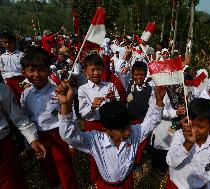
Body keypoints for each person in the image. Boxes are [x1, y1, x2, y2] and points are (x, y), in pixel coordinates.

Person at [56, 81, 166, 189]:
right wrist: (66, 105)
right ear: (106, 130)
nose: (128, 132)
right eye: (122, 131)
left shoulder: (135, 132)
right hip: (106, 186)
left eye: (128, 126)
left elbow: (153, 121)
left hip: (128, 183)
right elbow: (69, 136)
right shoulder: (96, 140)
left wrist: (159, 100)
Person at [20, 47, 78, 189]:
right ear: (24, 72)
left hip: (59, 134)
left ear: (49, 71)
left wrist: (71, 142)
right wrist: (30, 142)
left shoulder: (58, 91)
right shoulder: (26, 94)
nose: (36, 74)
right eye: (31, 70)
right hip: (39, 137)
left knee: (64, 167)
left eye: (41, 70)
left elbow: (71, 115)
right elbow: (25, 119)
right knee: (47, 167)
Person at [78, 53, 120, 184]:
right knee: (94, 154)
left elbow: (119, 105)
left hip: (109, 125)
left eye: (99, 69)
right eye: (92, 69)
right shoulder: (83, 89)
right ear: (85, 71)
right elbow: (82, 114)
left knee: (110, 152)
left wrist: (114, 100)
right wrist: (92, 107)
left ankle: (107, 177)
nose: (96, 73)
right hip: (92, 126)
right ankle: (95, 179)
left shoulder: (109, 86)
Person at [166, 98, 210, 189]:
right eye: (192, 124)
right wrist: (187, 144)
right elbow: (171, 162)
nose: (194, 130)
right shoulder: (180, 135)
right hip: (176, 186)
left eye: (200, 127)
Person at [0, 82, 46, 189]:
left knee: (13, 183)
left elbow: (18, 117)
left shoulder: (2, 89)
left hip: (4, 148)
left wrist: (32, 138)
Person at [0, 33, 25, 103]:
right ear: (2, 43)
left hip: (20, 80)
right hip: (8, 81)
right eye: (5, 42)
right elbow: (2, 70)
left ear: (15, 42)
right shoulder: (2, 57)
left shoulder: (21, 55)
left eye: (10, 42)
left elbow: (25, 69)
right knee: (11, 98)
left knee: (23, 96)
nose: (8, 45)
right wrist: (5, 79)